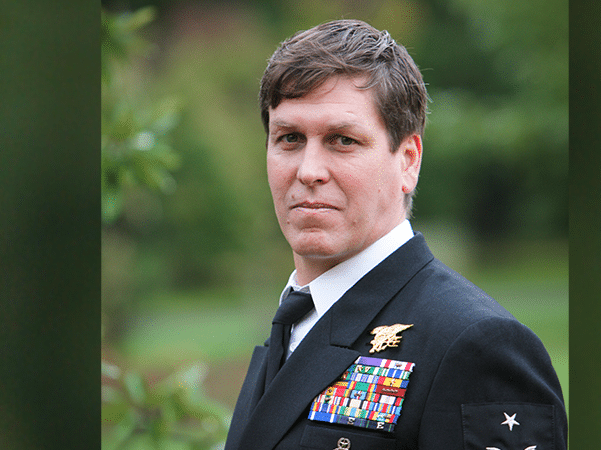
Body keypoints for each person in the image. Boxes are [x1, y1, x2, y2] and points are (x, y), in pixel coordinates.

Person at [225, 19, 567, 450]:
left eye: (342, 140)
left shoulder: (477, 346)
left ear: (408, 161)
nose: (309, 171)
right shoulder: (294, 323)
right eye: (290, 138)